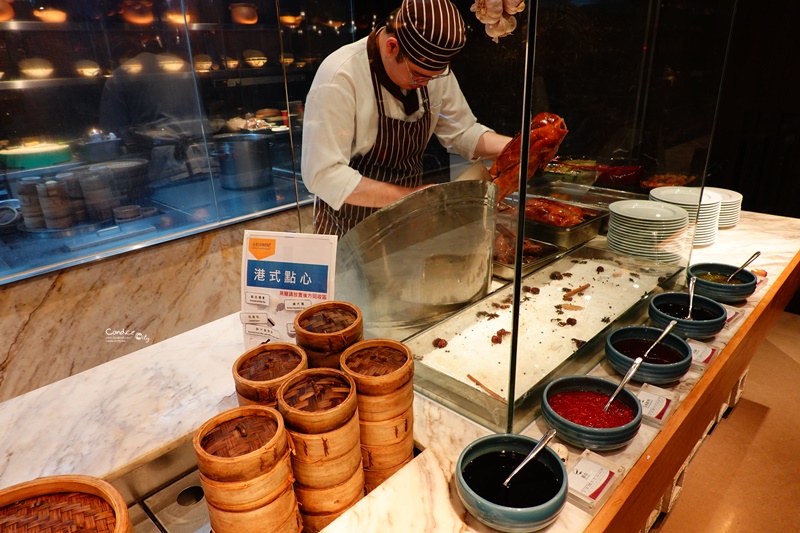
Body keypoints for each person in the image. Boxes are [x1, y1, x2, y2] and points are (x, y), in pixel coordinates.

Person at [301, 0, 511, 237]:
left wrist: (519, 148)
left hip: (407, 226)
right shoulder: (340, 77)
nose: (427, 83)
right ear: (392, 47)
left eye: (435, 76)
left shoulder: (431, 70)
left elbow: (461, 132)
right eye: (419, 76)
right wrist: (413, 197)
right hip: (348, 229)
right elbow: (323, 174)